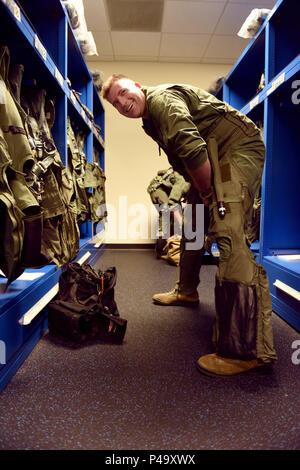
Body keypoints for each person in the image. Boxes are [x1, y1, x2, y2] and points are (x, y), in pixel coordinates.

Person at [102, 75, 277, 377]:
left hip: (236, 149)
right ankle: (186, 290)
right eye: (116, 103)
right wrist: (200, 192)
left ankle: (244, 350)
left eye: (123, 92)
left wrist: (210, 191)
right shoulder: (149, 120)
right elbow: (187, 156)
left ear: (138, 86)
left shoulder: (162, 102)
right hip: (215, 154)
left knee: (228, 230)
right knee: (194, 219)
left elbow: (192, 148)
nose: (122, 102)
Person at [147, 167, 190, 257]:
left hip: (168, 191)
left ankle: (173, 247)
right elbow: (173, 203)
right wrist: (183, 224)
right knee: (166, 214)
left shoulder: (191, 182)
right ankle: (161, 249)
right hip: (157, 189)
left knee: (176, 216)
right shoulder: (182, 180)